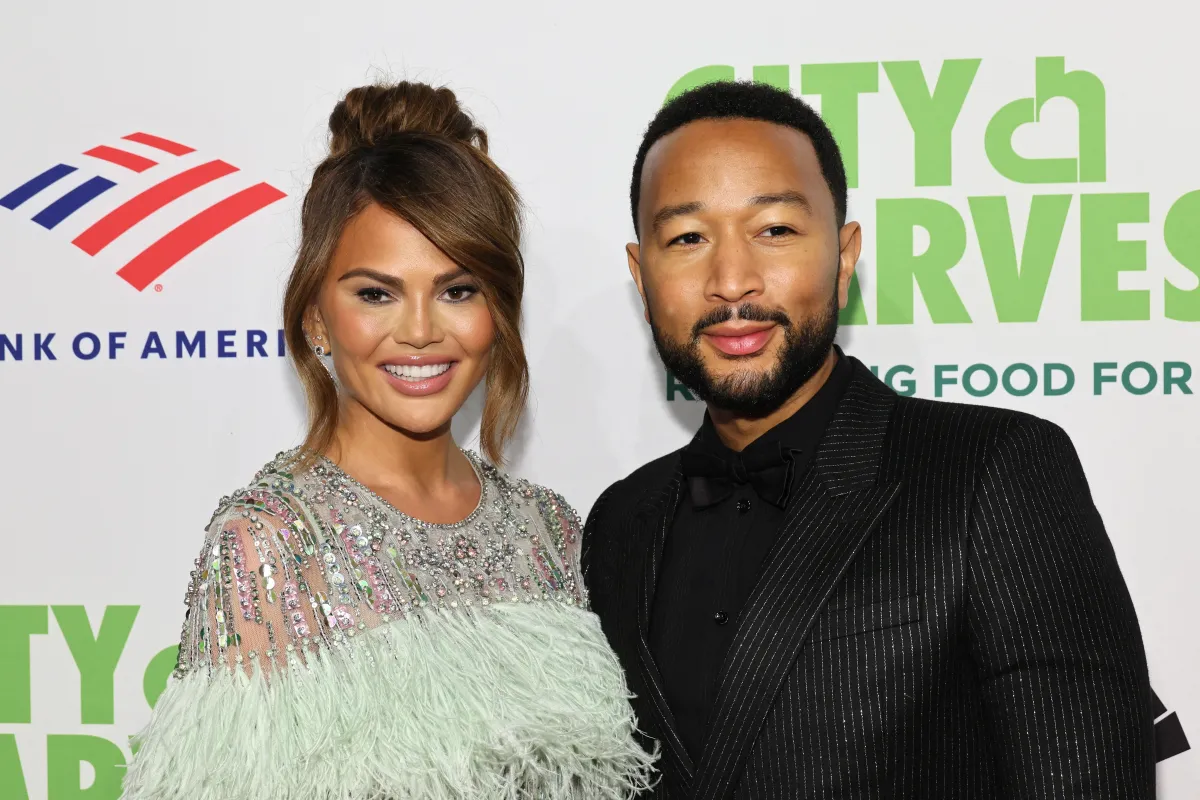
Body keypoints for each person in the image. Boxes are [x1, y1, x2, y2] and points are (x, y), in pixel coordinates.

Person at [582, 80, 1155, 799]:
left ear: (845, 256)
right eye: (688, 238)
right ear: (642, 275)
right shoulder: (618, 522)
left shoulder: (991, 471)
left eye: (776, 231)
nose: (733, 282)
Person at [120, 81, 655, 800]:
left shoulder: (546, 529)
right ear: (316, 317)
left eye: (457, 289)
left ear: (497, 311)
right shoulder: (272, 544)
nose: (420, 330)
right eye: (376, 293)